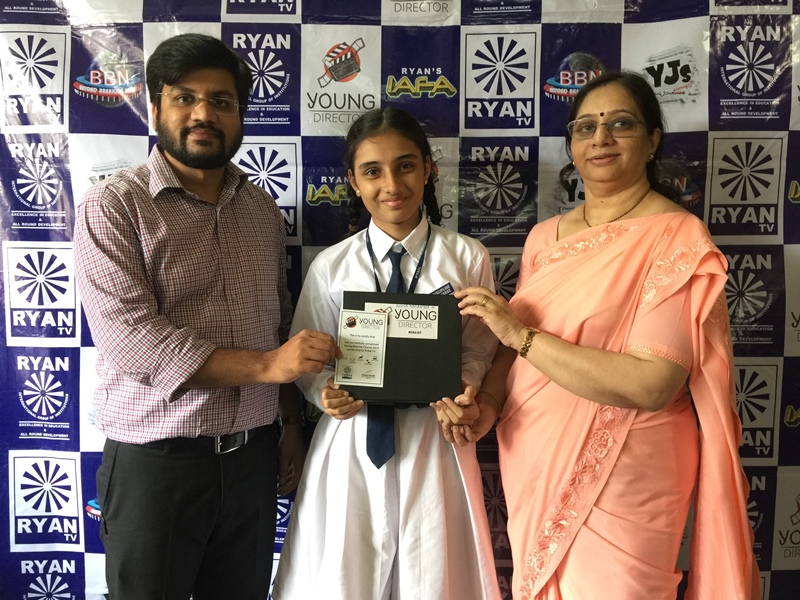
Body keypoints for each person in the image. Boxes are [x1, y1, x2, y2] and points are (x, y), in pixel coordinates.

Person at [433, 71, 760, 599]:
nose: (601, 138)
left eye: (620, 124)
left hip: (630, 467)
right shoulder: (545, 237)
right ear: (571, 145)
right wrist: (486, 407)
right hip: (534, 452)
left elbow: (653, 383)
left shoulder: (677, 237)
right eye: (585, 127)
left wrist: (521, 335)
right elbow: (513, 354)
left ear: (652, 140)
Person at [73, 33, 339, 600]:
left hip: (253, 460)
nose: (203, 114)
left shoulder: (260, 209)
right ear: (155, 108)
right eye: (184, 98)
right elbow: (130, 339)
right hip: (157, 464)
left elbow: (278, 323)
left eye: (221, 101)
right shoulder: (114, 205)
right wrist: (268, 366)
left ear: (240, 115)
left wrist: (292, 426)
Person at [271, 107, 501, 600]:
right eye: (372, 171)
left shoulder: (467, 257)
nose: (392, 184)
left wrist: (467, 387)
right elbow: (309, 358)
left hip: (435, 437)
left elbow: (480, 348)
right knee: (345, 577)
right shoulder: (331, 266)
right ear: (353, 182)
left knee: (434, 573)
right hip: (352, 441)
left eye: (406, 165)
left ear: (429, 169)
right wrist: (324, 392)